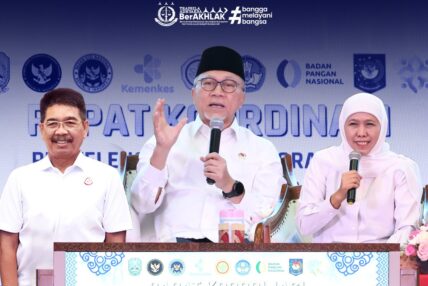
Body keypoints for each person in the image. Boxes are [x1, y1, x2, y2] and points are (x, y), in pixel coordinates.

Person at [0, 88, 132, 286]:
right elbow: (6, 246)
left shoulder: (107, 177)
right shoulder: (20, 178)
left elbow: (115, 244)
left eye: (70, 122)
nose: (61, 131)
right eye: (53, 123)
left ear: (85, 127)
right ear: (41, 129)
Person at [130, 45, 283, 242]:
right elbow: (141, 205)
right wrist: (161, 151)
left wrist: (231, 186)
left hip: (235, 252)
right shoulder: (165, 142)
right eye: (208, 83)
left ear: (242, 98)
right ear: (194, 94)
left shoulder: (262, 150)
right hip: (172, 252)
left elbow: (268, 216)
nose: (217, 92)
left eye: (229, 85)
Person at [296, 92, 422, 244]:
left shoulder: (400, 167)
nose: (361, 133)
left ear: (382, 127)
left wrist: (380, 255)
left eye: (370, 124)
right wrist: (337, 197)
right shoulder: (323, 161)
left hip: (382, 254)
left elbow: (407, 228)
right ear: (343, 126)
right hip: (326, 255)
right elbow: (304, 226)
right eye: (353, 124)